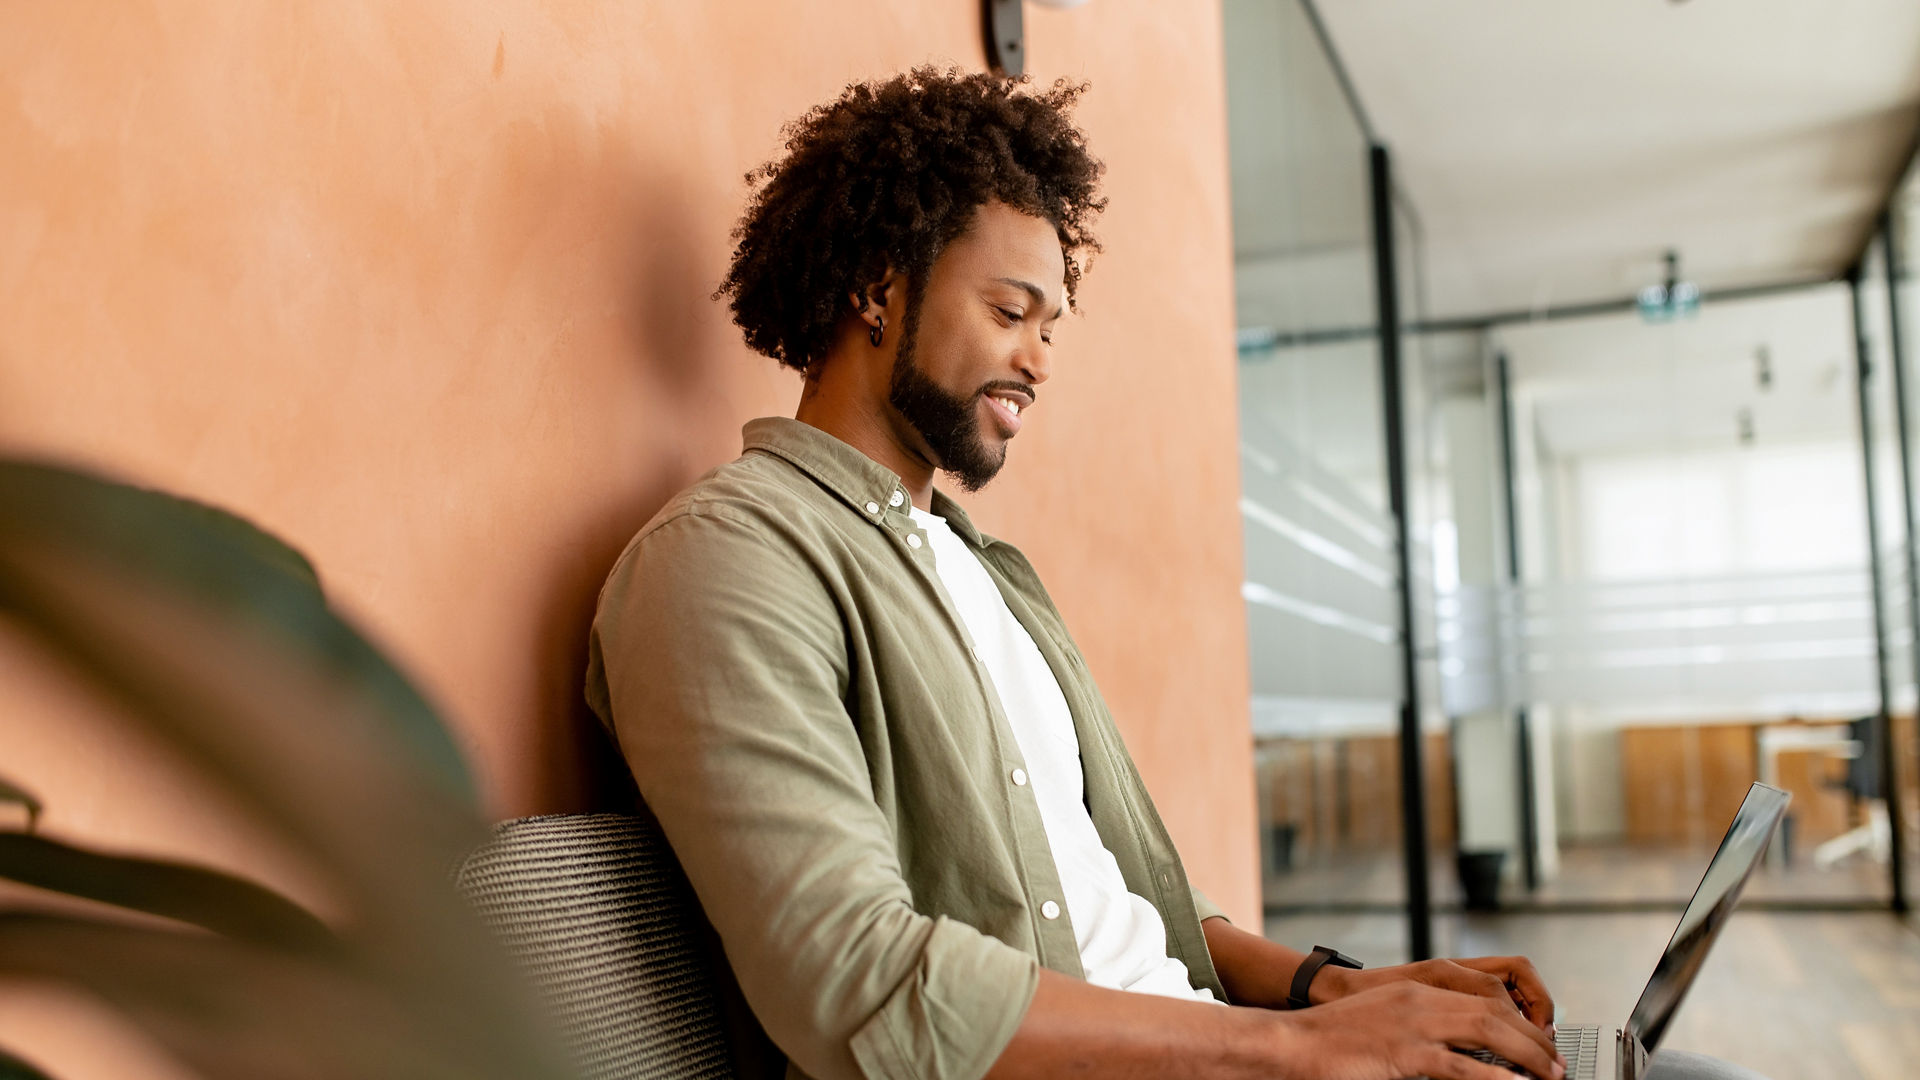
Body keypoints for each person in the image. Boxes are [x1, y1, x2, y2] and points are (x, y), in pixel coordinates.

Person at [586, 67, 1757, 1080]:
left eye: (1053, 322)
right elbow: (860, 988)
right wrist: (1309, 1053)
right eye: (1010, 310)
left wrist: (1332, 993)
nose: (1040, 359)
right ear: (878, 287)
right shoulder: (729, 562)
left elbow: (1110, 893)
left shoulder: (987, 575)